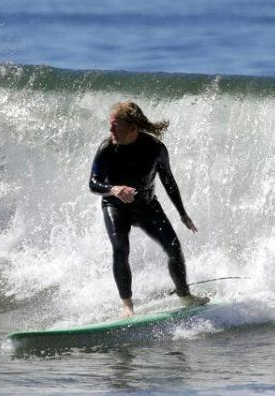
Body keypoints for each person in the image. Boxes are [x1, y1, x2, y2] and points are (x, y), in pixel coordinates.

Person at [89, 101, 209, 317]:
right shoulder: (107, 148)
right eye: (110, 125)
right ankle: (127, 305)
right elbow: (93, 183)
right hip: (115, 206)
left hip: (147, 205)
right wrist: (114, 189)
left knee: (174, 248)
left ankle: (185, 296)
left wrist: (183, 214)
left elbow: (169, 182)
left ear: (132, 127)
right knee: (120, 250)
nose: (110, 130)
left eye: (115, 125)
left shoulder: (155, 149)